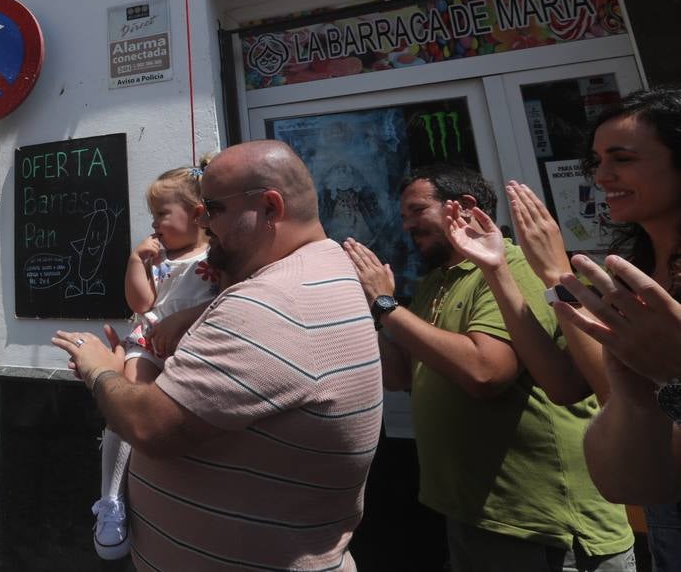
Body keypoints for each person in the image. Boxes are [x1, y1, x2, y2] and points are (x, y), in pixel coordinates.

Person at [55, 141, 382, 572]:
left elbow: (148, 425)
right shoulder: (321, 267)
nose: (204, 220)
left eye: (213, 208)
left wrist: (100, 369)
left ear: (269, 207)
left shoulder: (271, 303)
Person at [346, 164, 634, 571]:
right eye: (404, 215)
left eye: (416, 210)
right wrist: (371, 307)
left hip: (537, 522)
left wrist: (388, 308)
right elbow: (398, 375)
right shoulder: (435, 282)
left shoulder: (511, 268)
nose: (407, 225)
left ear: (464, 206)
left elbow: (486, 372)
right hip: (474, 512)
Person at [547, 87, 681, 569]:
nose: (603, 177)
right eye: (597, 161)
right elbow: (628, 484)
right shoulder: (632, 273)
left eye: (622, 159)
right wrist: (636, 393)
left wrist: (673, 378)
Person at [89, 165, 213, 559]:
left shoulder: (214, 256)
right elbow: (141, 304)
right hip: (149, 340)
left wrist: (184, 319)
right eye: (153, 214)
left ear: (197, 214)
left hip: (194, 347)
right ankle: (111, 500)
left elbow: (226, 300)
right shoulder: (158, 257)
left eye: (162, 213)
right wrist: (135, 263)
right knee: (127, 403)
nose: (155, 223)